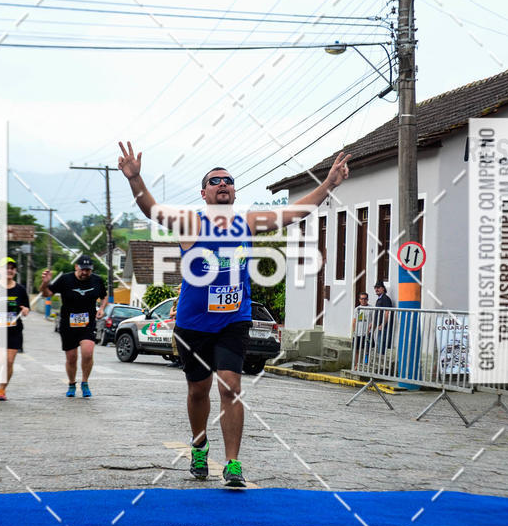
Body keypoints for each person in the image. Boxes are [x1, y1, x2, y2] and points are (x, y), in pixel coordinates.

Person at [118, 141, 350, 488]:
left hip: (233, 319)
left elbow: (296, 212)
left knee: (231, 385)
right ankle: (199, 445)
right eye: (215, 181)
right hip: (193, 323)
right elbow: (152, 210)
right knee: (199, 390)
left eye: (228, 180)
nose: (223, 184)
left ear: (234, 190)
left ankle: (232, 464)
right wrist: (135, 180)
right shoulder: (189, 224)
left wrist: (328, 183)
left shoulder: (247, 222)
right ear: (204, 193)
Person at [40, 255, 106, 399]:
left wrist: (101, 308)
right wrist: (45, 283)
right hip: (68, 324)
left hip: (87, 323)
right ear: (76, 267)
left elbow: (104, 295)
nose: (85, 273)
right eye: (83, 269)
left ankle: (85, 382)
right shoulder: (65, 279)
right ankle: (71, 383)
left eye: (88, 270)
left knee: (88, 353)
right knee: (71, 358)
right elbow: (47, 294)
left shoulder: (97, 280)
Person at [0, 258, 30, 401]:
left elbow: (26, 308)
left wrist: (24, 310)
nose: (9, 270)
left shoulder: (20, 289)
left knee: (9, 362)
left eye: (12, 268)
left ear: (15, 271)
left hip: (14, 331)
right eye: (6, 267)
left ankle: (2, 389)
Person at [370, 280, 393, 354]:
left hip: (384, 326)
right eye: (375, 288)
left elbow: (387, 312)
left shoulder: (385, 299)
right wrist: (373, 323)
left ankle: (381, 360)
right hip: (379, 325)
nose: (376, 289)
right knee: (379, 343)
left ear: (383, 288)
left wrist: (383, 324)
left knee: (381, 344)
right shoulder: (379, 299)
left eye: (378, 287)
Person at [351, 292, 371, 368]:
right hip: (358, 333)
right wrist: (354, 331)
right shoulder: (357, 309)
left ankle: (366, 365)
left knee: (367, 350)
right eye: (362, 299)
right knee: (356, 350)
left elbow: (374, 320)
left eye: (365, 299)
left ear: (367, 299)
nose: (363, 300)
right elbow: (354, 321)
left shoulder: (371, 308)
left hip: (367, 333)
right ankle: (356, 365)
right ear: (359, 300)